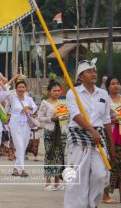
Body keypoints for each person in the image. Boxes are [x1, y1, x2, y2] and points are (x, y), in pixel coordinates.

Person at [64, 58, 115, 208]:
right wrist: (91, 130)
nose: (93, 73)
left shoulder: (103, 94)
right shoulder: (72, 93)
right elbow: (75, 115)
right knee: (78, 178)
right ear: (80, 77)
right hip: (78, 138)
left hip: (99, 138)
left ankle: (92, 204)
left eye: (95, 71)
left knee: (100, 174)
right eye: (89, 71)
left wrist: (111, 145)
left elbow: (106, 120)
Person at [37, 80, 66, 191]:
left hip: (61, 133)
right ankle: (47, 182)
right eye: (54, 91)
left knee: (59, 157)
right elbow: (39, 118)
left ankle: (57, 183)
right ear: (49, 91)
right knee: (50, 155)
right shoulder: (45, 103)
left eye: (59, 90)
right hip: (50, 133)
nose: (57, 92)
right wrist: (51, 119)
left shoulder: (63, 103)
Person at [5, 79, 38, 177]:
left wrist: (27, 107)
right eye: (19, 87)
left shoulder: (28, 99)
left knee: (22, 147)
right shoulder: (12, 97)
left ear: (26, 88)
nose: (21, 89)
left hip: (26, 126)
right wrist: (14, 77)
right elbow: (5, 87)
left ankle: (16, 168)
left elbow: (35, 107)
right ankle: (22, 170)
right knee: (19, 146)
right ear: (16, 88)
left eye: (23, 87)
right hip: (15, 125)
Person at [102, 76, 121, 204]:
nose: (115, 85)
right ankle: (105, 194)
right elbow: (103, 119)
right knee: (110, 165)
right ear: (108, 86)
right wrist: (113, 120)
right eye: (113, 84)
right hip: (111, 136)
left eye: (117, 83)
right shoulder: (105, 101)